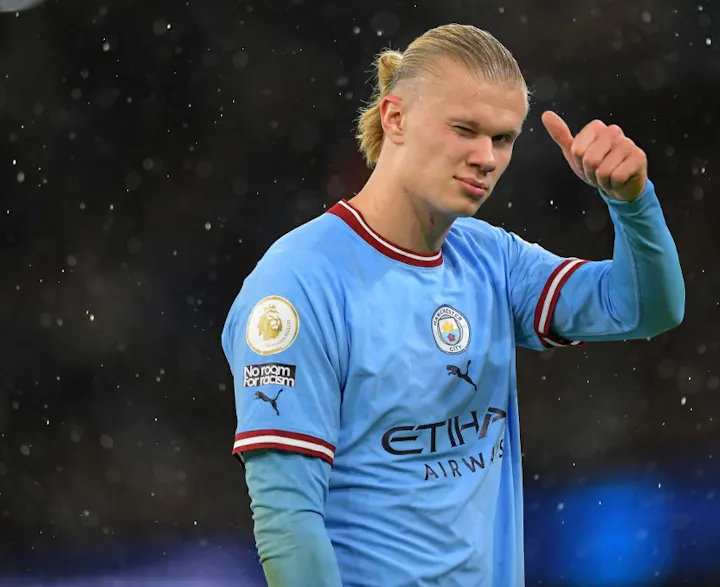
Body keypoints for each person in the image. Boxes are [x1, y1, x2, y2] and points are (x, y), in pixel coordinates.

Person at [221, 23, 685, 587]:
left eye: (504, 138)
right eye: (465, 129)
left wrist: (632, 202)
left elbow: (644, 309)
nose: (486, 157)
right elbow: (288, 521)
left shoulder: (491, 259)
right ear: (395, 119)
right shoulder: (298, 284)